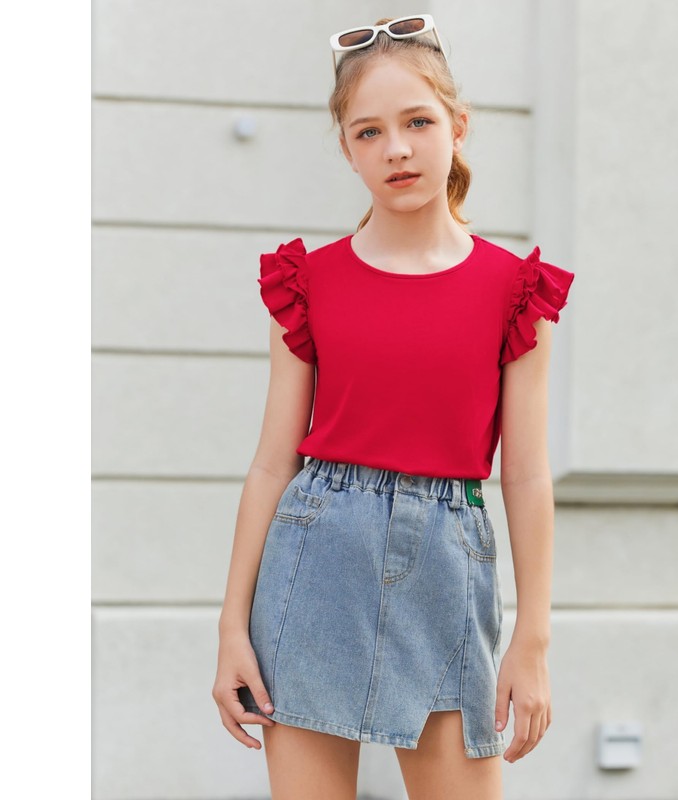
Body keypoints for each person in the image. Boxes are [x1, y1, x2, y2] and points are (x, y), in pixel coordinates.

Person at [212, 13, 575, 800]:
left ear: (459, 125)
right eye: (369, 132)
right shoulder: (306, 284)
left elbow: (526, 475)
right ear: (347, 149)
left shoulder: (516, 293)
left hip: (448, 572)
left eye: (418, 122)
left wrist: (533, 639)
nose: (397, 150)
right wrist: (230, 626)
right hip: (313, 565)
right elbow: (273, 463)